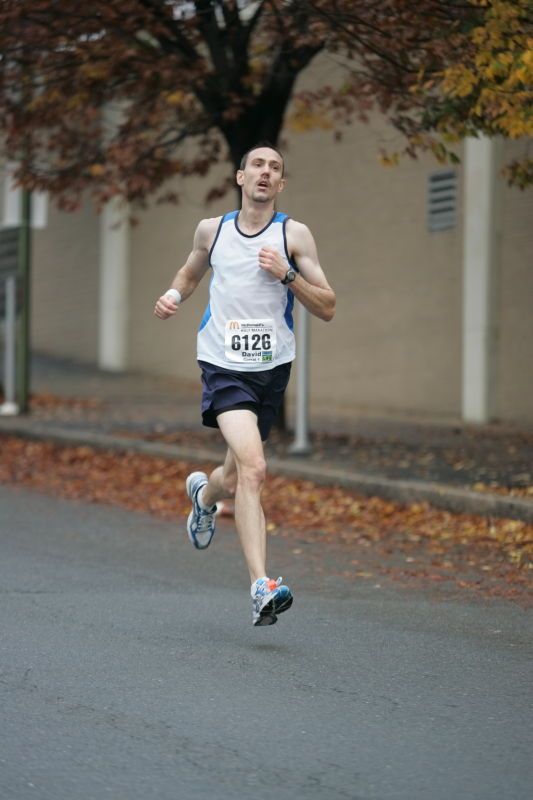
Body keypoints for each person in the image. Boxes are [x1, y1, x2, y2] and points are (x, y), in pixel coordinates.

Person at [154, 143, 335, 626]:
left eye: (275, 168)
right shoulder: (212, 231)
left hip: (272, 369)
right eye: (258, 164)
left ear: (281, 185)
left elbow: (328, 305)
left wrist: (288, 273)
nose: (266, 172)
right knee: (254, 469)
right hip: (222, 364)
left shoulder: (293, 234)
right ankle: (261, 586)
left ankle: (204, 497)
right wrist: (172, 295)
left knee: (233, 477)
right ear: (240, 177)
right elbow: (191, 272)